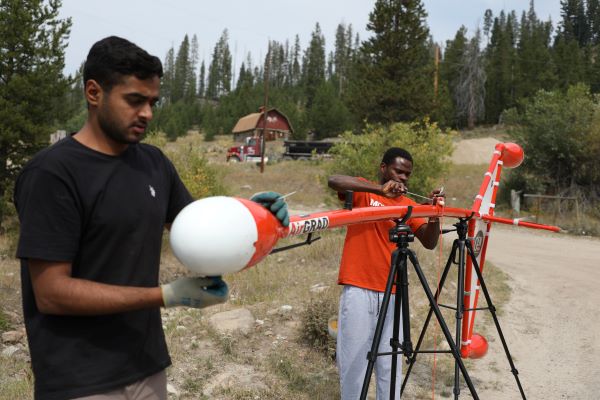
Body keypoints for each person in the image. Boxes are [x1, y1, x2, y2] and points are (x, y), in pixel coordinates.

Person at [13, 36, 288, 400]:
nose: (147, 113)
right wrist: (166, 295)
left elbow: (204, 234)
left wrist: (254, 217)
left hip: (146, 367)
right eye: (134, 100)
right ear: (93, 93)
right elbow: (51, 293)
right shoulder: (53, 174)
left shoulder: (153, 164)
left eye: (153, 102)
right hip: (79, 378)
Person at [328, 147, 444, 399]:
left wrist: (434, 214)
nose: (403, 178)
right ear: (384, 169)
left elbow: (429, 241)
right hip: (359, 287)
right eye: (398, 171)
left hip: (393, 292)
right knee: (354, 362)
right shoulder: (364, 192)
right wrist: (377, 190)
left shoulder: (408, 204)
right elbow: (334, 180)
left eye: (407, 174)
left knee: (389, 365)